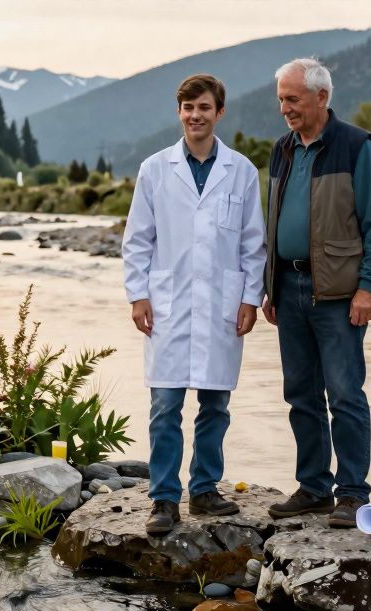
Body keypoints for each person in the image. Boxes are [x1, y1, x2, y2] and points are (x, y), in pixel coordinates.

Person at [122, 74, 267, 536]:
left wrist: (249, 297)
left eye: (204, 107)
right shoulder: (155, 169)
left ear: (219, 112)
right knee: (165, 405)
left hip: (223, 305)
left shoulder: (240, 171)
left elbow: (253, 244)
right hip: (167, 303)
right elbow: (137, 240)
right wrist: (138, 294)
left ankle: (204, 489)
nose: (195, 115)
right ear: (179, 112)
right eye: (187, 107)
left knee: (215, 404)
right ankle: (164, 498)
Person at [262, 58, 371, 528]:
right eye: (280, 99)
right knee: (300, 393)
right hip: (289, 285)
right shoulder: (281, 149)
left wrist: (369, 288)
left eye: (292, 99)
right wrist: (269, 286)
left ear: (322, 97)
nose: (285, 108)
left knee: (343, 393)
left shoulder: (358, 147)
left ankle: (353, 493)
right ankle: (314, 487)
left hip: (340, 294)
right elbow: (274, 221)